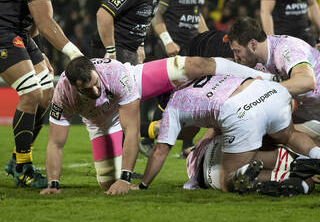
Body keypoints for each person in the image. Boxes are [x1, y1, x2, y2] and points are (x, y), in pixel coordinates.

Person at [39, 55, 274, 195]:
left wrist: (126, 178)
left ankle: (262, 76)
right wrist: (53, 184)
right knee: (107, 185)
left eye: (94, 84)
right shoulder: (62, 95)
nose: (94, 91)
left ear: (96, 72)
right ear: (73, 86)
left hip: (133, 84)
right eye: (86, 89)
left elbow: (131, 131)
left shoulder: (114, 73)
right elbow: (56, 143)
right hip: (99, 123)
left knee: (191, 65)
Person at [0, 0, 85, 188]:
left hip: (22, 34)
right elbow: (46, 21)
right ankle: (24, 168)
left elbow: (35, 21)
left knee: (47, 94)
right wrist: (74, 53)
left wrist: (40, 53)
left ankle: (17, 158)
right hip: (3, 31)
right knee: (31, 94)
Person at [138, 74, 320, 193]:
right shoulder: (205, 73)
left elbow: (160, 151)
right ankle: (311, 159)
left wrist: (142, 185)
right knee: (288, 137)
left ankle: (293, 179)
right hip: (268, 90)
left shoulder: (174, 105)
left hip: (232, 123)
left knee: (229, 180)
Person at [227, 16, 320, 139]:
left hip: (313, 109)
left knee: (271, 135)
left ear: (253, 44)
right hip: (308, 110)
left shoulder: (285, 50)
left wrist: (266, 91)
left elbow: (307, 82)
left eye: (237, 51)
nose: (236, 57)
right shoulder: (258, 58)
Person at [184, 129, 318, 196]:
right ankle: (298, 174)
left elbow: (214, 129)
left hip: (210, 173)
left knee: (271, 150)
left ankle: (296, 167)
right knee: (307, 182)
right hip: (221, 159)